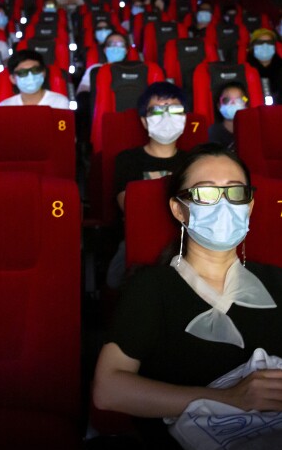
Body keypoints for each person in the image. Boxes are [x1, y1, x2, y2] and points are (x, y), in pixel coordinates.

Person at [92, 142, 282, 450]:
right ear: (179, 209)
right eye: (205, 193)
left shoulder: (277, 283)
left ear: (250, 205)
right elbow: (108, 389)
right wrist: (229, 399)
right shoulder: (152, 287)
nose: (223, 204)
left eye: (235, 192)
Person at [106, 82, 190, 290]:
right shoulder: (128, 160)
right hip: (140, 238)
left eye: (174, 110)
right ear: (144, 121)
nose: (167, 116)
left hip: (187, 241)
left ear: (185, 118)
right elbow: (131, 207)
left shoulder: (194, 162)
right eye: (158, 110)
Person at [0, 49, 70, 109]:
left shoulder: (60, 103)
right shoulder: (4, 107)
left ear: (43, 73)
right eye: (23, 72)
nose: (30, 76)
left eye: (35, 70)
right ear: (12, 79)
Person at [245, 28, 282, 105]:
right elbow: (242, 97)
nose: (265, 45)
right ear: (252, 47)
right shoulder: (245, 69)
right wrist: (245, 100)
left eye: (269, 42)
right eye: (260, 42)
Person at [77, 31, 130, 95]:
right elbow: (82, 92)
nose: (115, 48)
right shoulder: (94, 69)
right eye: (111, 44)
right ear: (105, 50)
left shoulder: (133, 70)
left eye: (120, 44)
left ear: (126, 50)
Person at [207, 81, 248, 151]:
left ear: (246, 105)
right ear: (219, 106)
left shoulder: (253, 132)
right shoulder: (212, 133)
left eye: (239, 100)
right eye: (226, 100)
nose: (233, 104)